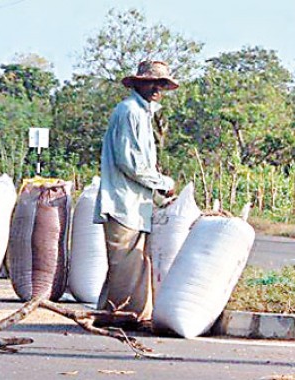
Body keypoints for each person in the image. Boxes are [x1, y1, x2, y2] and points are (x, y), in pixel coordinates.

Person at [93, 60, 178, 324]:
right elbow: (129, 163)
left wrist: (157, 191)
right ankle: (122, 317)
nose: (157, 89)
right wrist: (163, 182)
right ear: (139, 83)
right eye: (153, 82)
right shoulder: (129, 111)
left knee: (132, 265)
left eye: (161, 84)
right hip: (123, 202)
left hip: (135, 202)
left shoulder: (142, 114)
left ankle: (114, 315)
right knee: (125, 266)